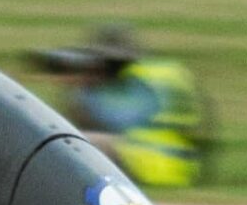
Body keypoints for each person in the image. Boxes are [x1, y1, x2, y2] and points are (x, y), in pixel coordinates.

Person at [30, 24, 213, 188]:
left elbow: (118, 120)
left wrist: (80, 91)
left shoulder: (139, 81)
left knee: (73, 142)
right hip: (179, 161)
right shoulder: (166, 72)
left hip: (155, 163)